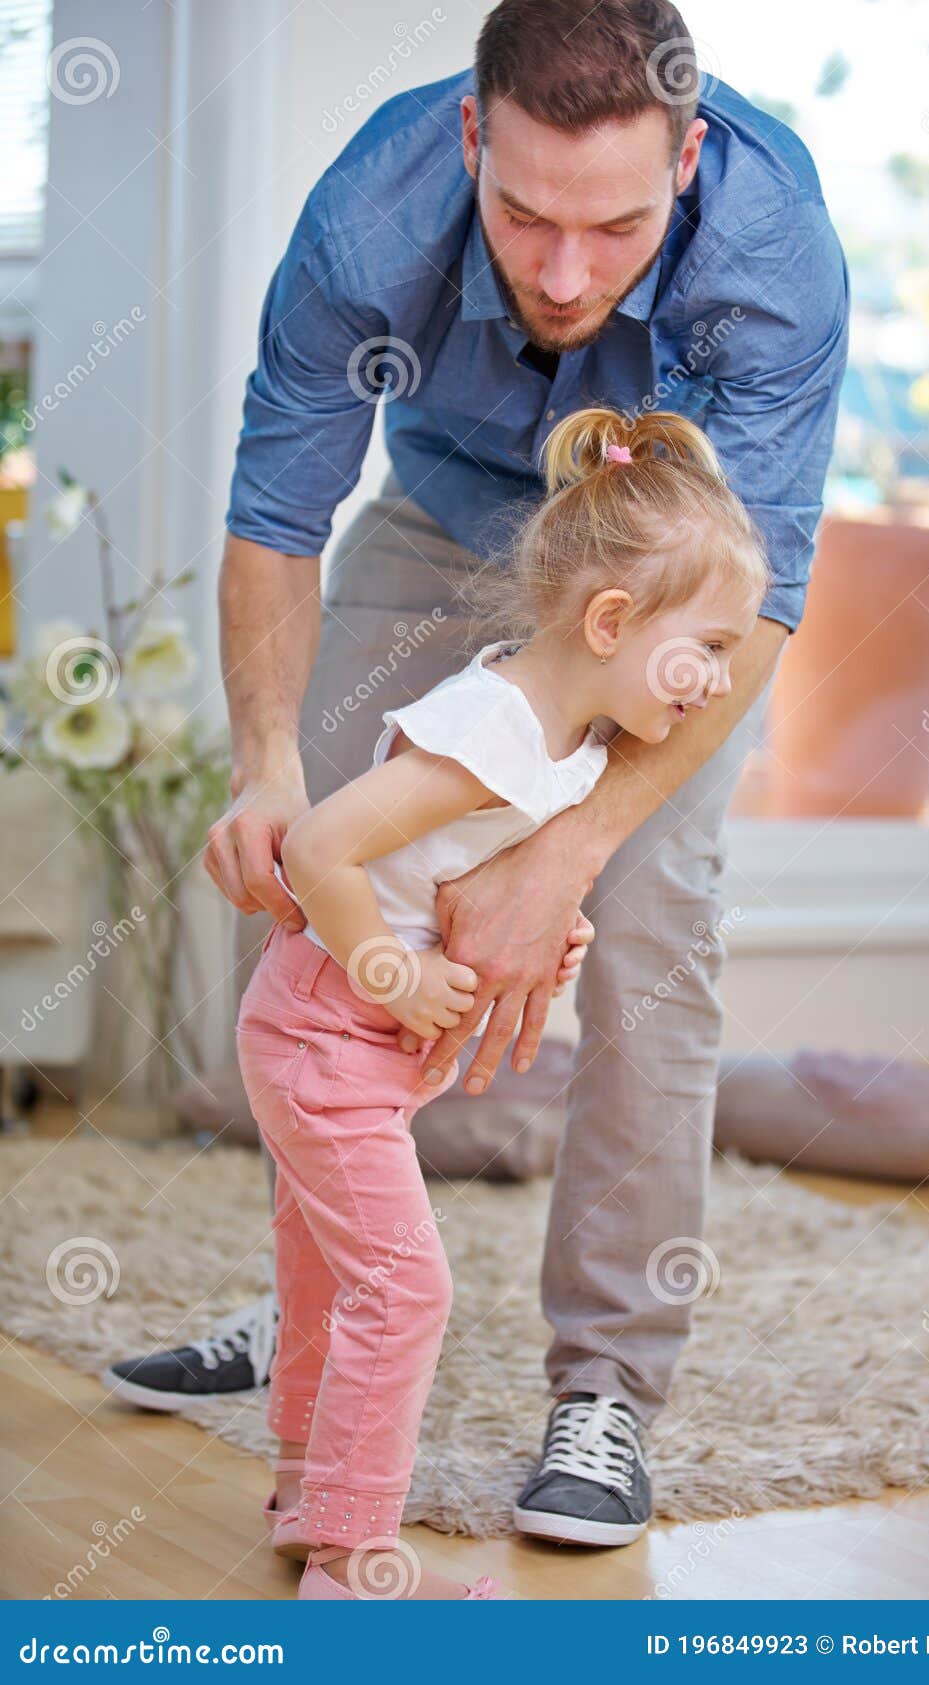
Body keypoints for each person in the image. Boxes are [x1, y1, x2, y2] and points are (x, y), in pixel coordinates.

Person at [104, 0, 849, 1546]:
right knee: (309, 861)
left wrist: (561, 852)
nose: (566, 274)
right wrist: (262, 770)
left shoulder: (772, 253)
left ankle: (606, 1390)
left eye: (617, 225)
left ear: (689, 160)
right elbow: (279, 510)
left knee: (649, 924)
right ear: (466, 137)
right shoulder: (367, 220)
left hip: (666, 590)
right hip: (444, 524)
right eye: (522, 215)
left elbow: (756, 600)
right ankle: (313, 1297)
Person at [238, 405, 769, 1598]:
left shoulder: (571, 734)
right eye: (714, 649)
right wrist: (393, 970)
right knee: (404, 1289)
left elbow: (450, 861)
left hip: (355, 1050)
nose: (724, 683)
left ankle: (304, 1496)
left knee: (329, 1274)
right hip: (326, 1034)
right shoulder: (489, 730)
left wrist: (547, 920)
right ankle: (353, 1553)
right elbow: (319, 847)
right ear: (611, 621)